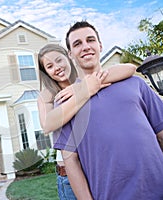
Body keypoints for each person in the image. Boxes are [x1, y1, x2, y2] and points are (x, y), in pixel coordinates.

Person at [54, 20, 163, 199]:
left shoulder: (135, 84)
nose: (85, 47)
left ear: (100, 45)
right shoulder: (65, 102)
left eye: (90, 40)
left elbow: (162, 133)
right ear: (70, 54)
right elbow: (71, 161)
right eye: (77, 44)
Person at [37, 44, 136, 200]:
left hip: (99, 168)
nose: (57, 67)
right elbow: (47, 125)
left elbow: (130, 68)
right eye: (49, 66)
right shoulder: (48, 95)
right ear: (46, 72)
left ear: (69, 57)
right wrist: (84, 92)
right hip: (69, 175)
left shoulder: (86, 78)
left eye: (59, 60)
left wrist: (82, 86)